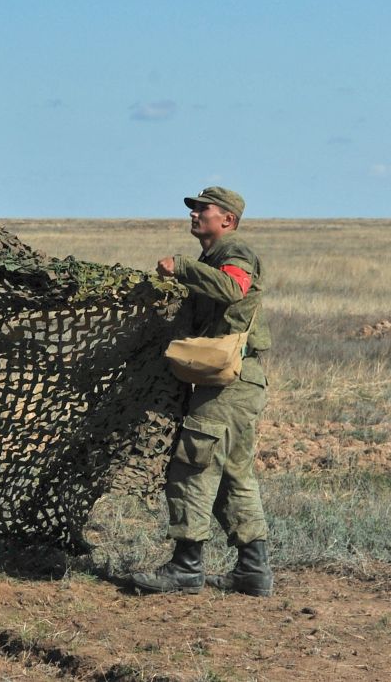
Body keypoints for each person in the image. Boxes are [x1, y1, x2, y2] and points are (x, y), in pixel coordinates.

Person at [129, 186, 273, 597]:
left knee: (193, 463)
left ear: (226, 219)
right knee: (234, 474)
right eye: (193, 209)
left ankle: (186, 567)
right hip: (234, 383)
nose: (194, 215)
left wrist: (183, 268)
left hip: (230, 383)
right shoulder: (216, 258)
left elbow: (232, 290)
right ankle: (253, 570)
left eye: (202, 209)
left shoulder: (235, 252)